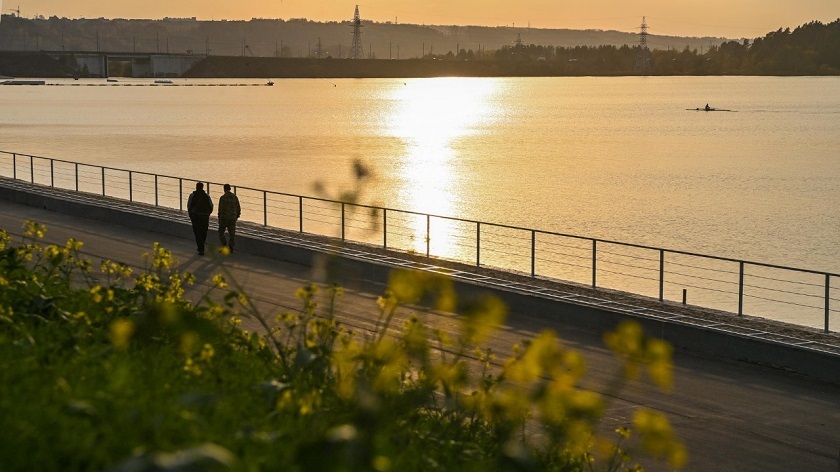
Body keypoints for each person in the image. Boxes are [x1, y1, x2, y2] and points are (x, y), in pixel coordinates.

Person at [187, 182, 213, 255]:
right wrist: (208, 214)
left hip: (195, 216)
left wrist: (191, 215)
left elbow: (189, 206)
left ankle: (201, 247)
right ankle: (201, 245)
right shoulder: (206, 196)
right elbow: (211, 206)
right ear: (202, 187)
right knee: (204, 231)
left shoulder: (192, 195)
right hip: (205, 216)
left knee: (197, 232)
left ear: (196, 187)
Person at [217, 183, 241, 253]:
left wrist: (219, 219)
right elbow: (238, 207)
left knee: (221, 232)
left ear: (224, 189)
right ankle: (231, 247)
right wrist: (237, 216)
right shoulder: (234, 197)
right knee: (232, 234)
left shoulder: (223, 198)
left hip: (224, 218)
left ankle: (224, 246)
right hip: (232, 218)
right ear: (230, 189)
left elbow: (221, 209)